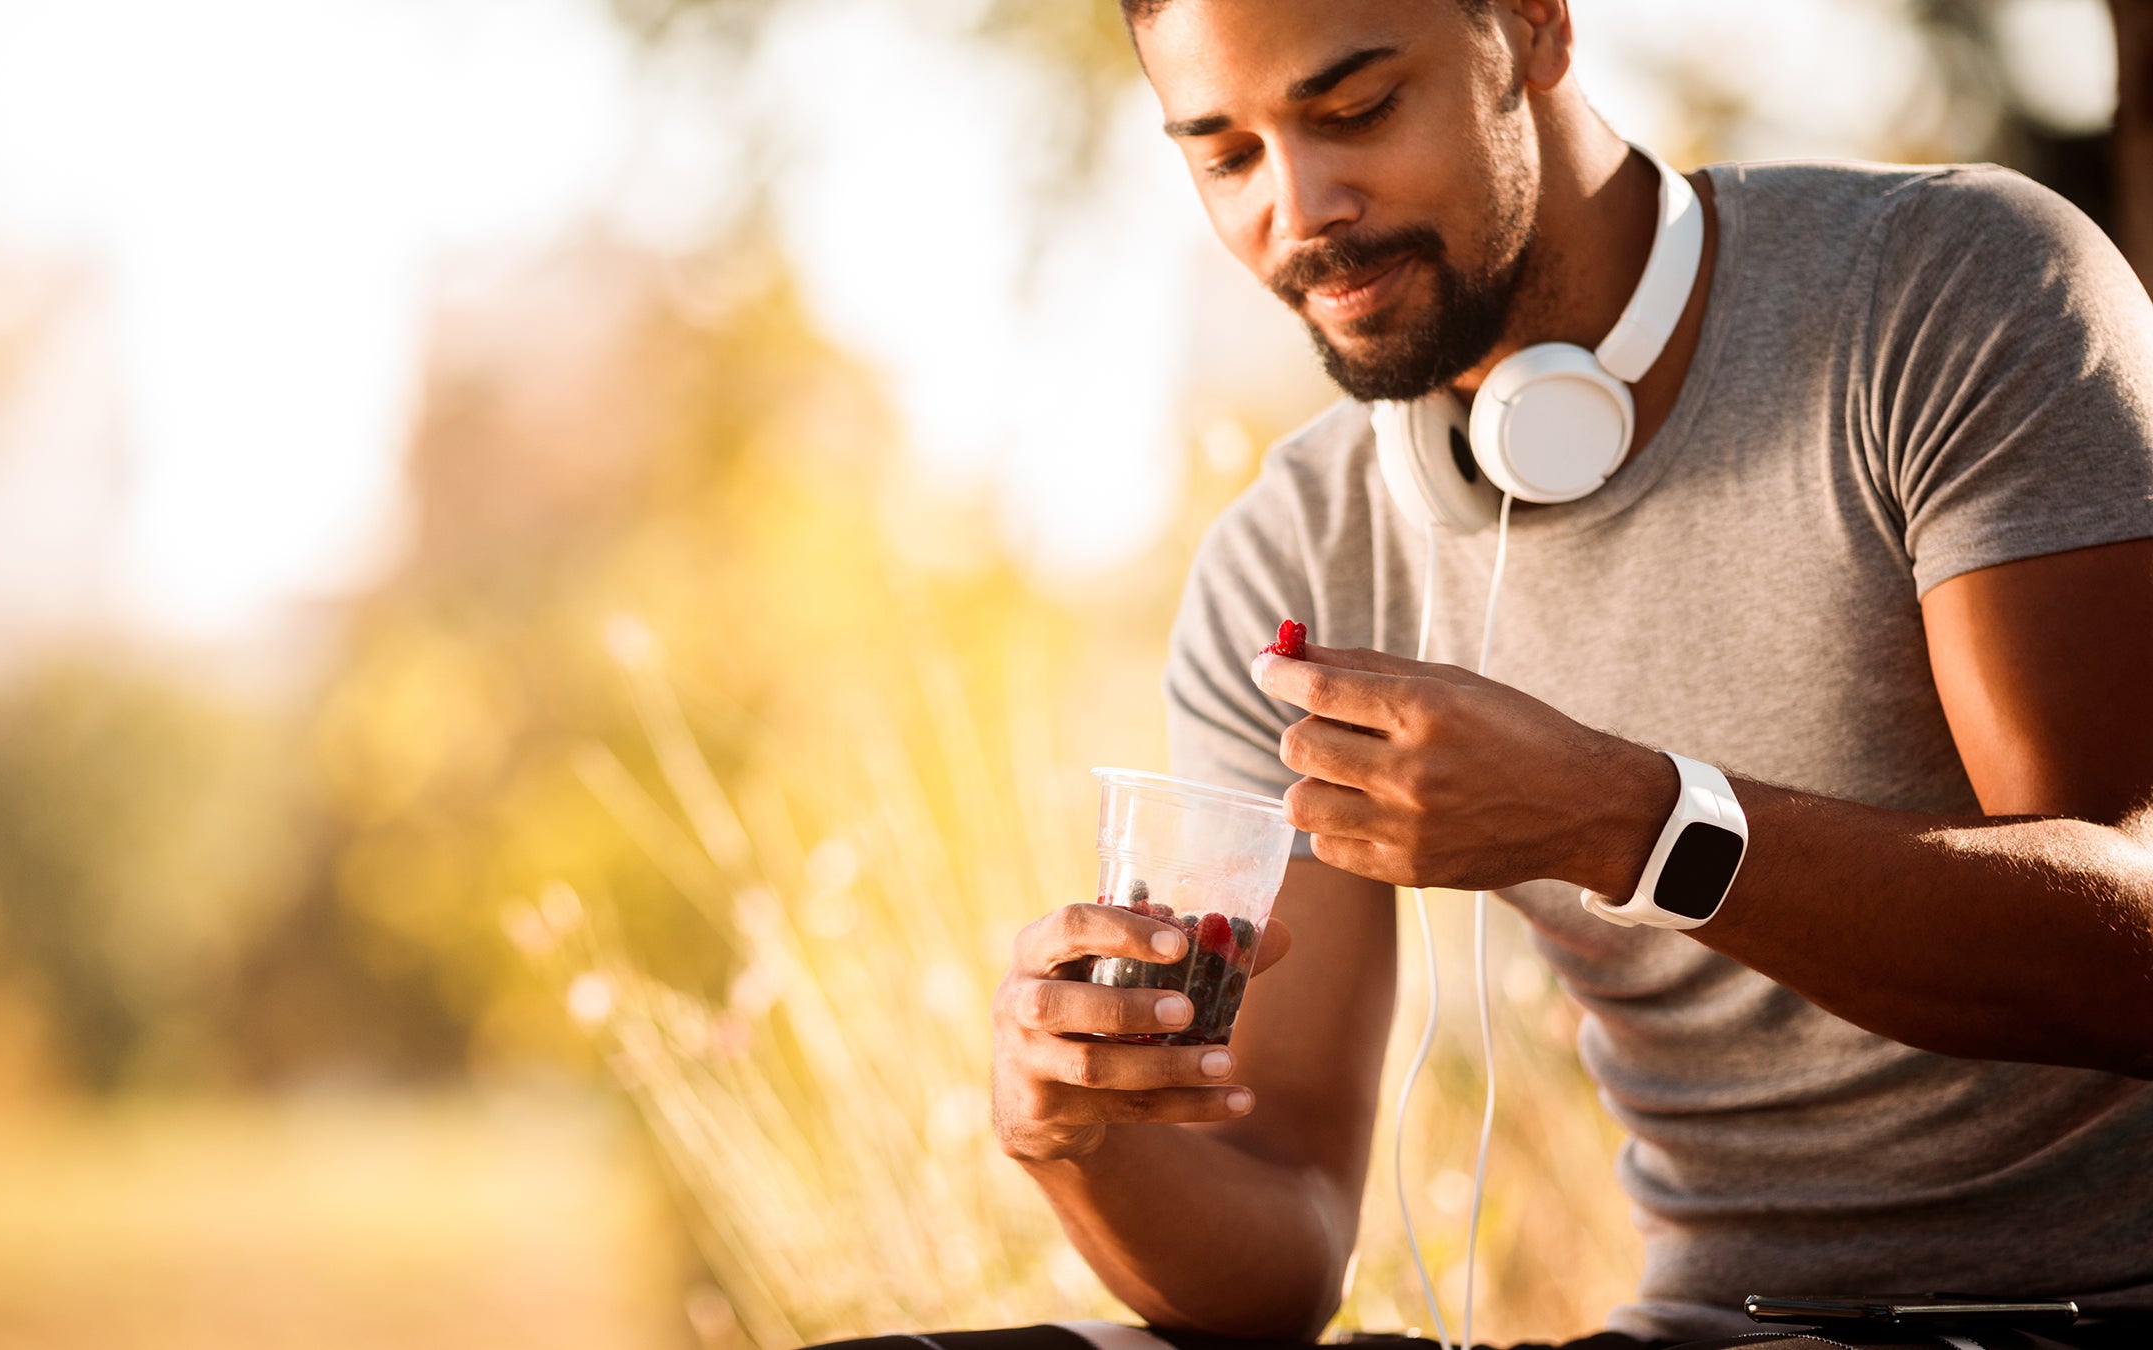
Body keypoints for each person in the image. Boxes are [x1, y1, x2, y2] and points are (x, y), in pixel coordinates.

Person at [817, 0, 2153, 1346]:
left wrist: (1627, 822)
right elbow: (1278, 1264)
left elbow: (2129, 947)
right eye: (1225, 157)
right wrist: (1071, 1136)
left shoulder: (1950, 290)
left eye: (1355, 111)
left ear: (1532, 27)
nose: (1301, 208)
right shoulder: (1299, 560)